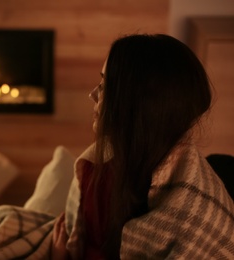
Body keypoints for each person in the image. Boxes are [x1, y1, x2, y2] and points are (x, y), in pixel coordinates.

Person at [51, 34, 234, 259]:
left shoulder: (195, 214)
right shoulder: (95, 171)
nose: (93, 95)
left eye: (105, 86)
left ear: (136, 103)